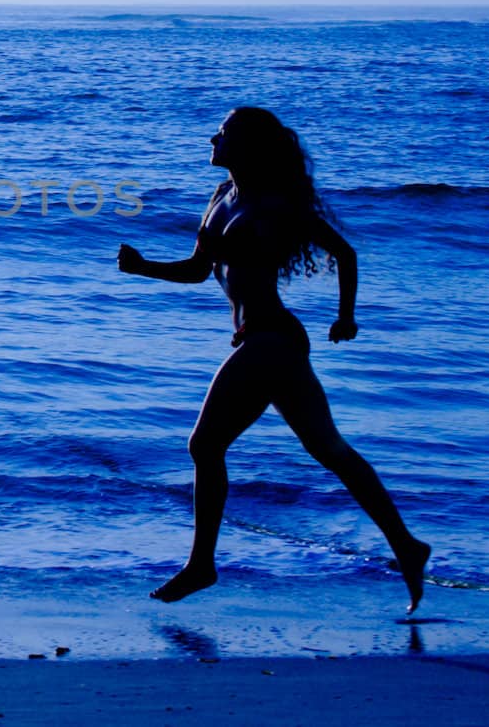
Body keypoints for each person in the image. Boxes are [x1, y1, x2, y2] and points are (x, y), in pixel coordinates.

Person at [117, 107, 431, 613]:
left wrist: (345, 317)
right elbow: (200, 271)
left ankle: (202, 565)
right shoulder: (221, 198)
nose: (212, 137)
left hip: (272, 340)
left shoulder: (276, 203)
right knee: (331, 451)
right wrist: (142, 268)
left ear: (247, 145)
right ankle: (407, 546)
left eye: (223, 132)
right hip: (261, 342)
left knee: (204, 444)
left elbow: (344, 253)